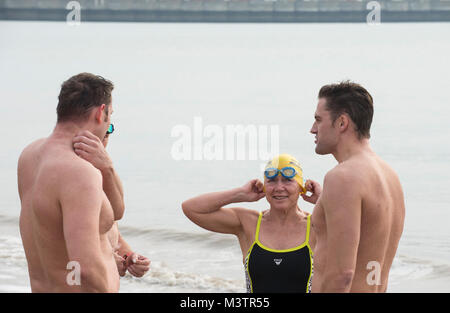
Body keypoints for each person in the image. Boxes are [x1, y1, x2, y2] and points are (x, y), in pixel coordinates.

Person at [18, 73, 121, 292]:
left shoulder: (30, 156)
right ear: (100, 112)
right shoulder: (79, 173)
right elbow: (84, 268)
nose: (109, 126)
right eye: (110, 116)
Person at [303, 81, 405, 292]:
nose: (313, 129)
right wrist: (326, 202)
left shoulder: (342, 178)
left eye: (318, 120)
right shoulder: (390, 176)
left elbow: (343, 275)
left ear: (342, 123)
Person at [182, 154, 315, 293]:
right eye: (272, 181)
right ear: (264, 187)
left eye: (288, 180)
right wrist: (240, 194)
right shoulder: (249, 223)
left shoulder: (316, 225)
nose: (279, 187)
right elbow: (191, 208)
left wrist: (323, 199)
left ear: (301, 187)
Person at [73, 128, 151, 278]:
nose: (102, 144)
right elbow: (57, 246)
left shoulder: (102, 172)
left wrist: (129, 257)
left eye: (107, 136)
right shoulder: (74, 177)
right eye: (99, 137)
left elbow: (112, 234)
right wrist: (105, 259)